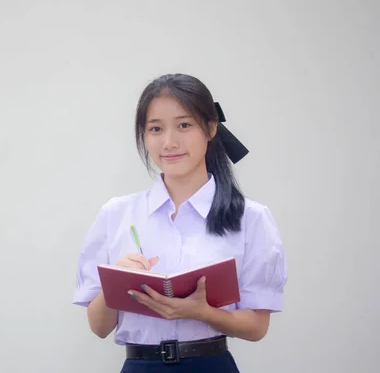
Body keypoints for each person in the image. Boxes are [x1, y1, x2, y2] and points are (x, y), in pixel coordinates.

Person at [72, 73, 287, 372]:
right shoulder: (116, 214)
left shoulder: (250, 218)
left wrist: (203, 312)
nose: (169, 142)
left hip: (211, 366)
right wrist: (116, 281)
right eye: (156, 129)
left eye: (184, 125)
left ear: (211, 128)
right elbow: (99, 327)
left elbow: (256, 327)